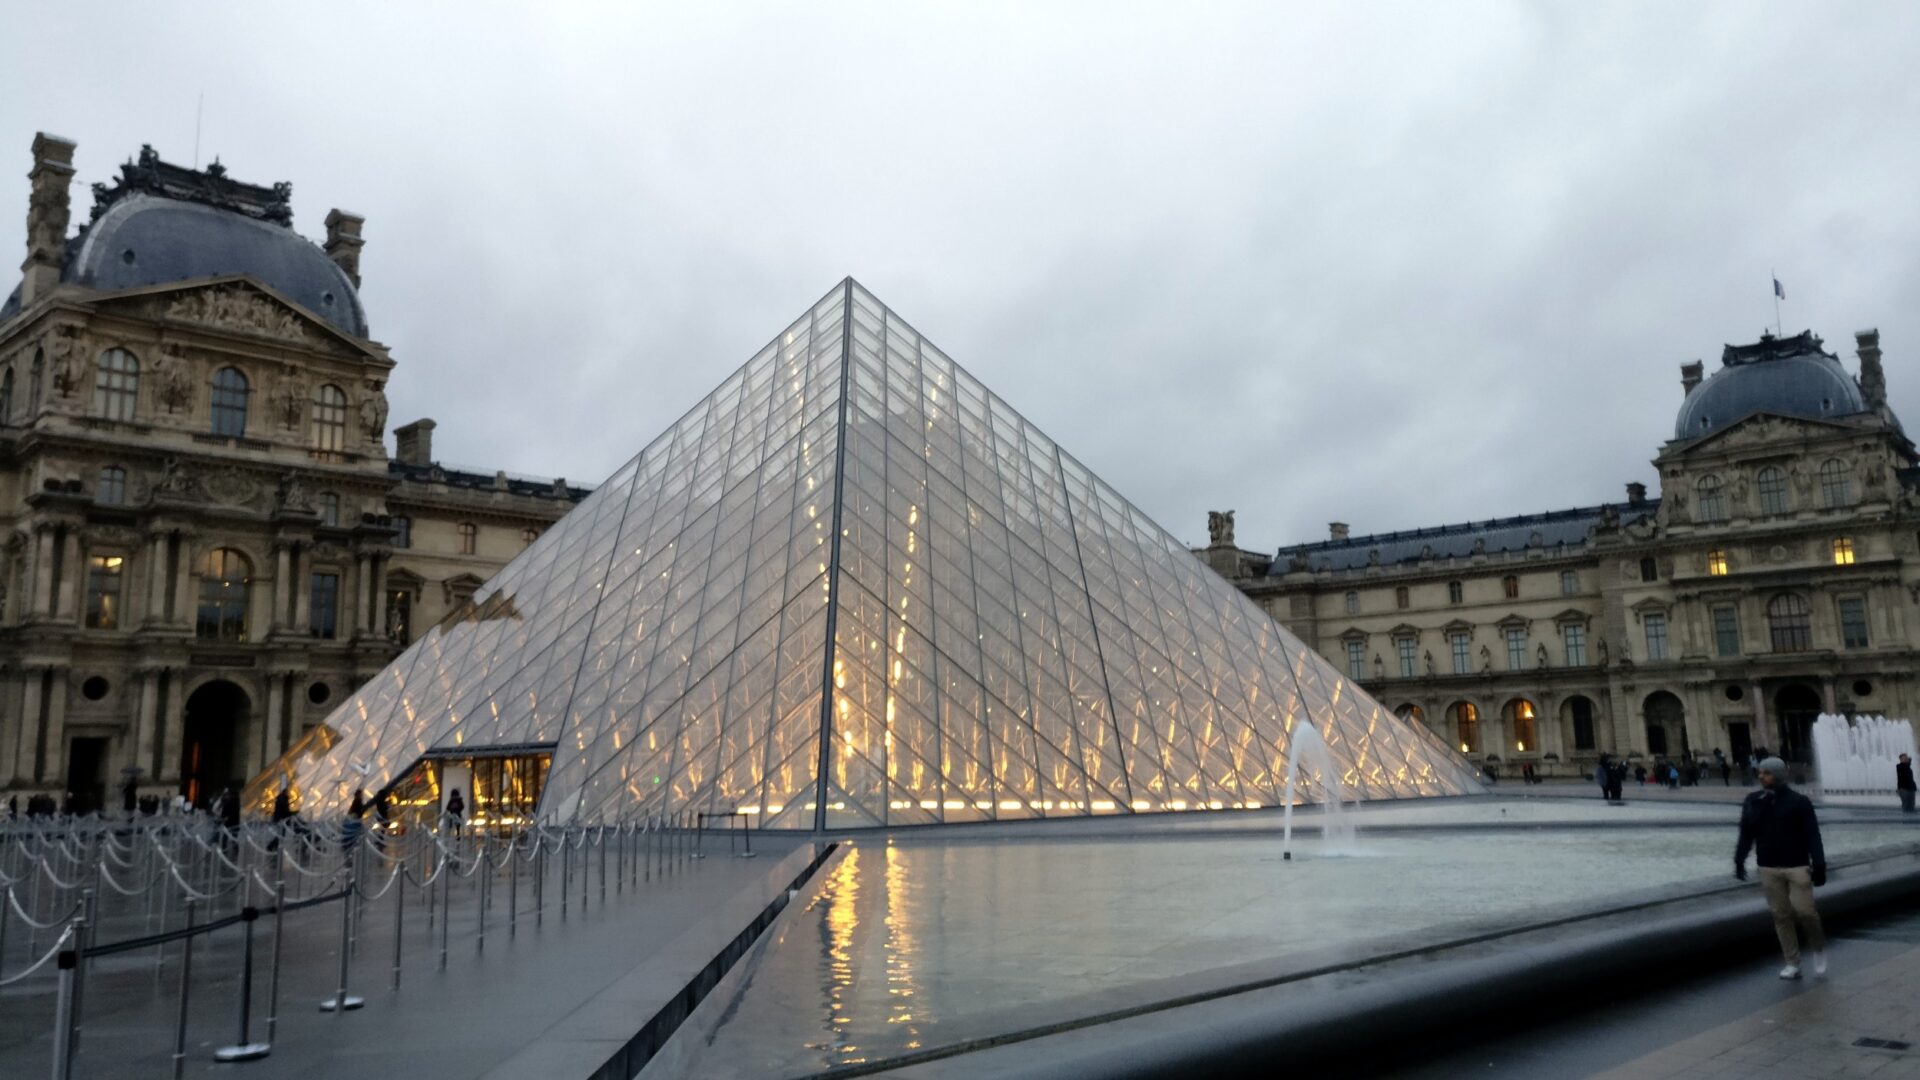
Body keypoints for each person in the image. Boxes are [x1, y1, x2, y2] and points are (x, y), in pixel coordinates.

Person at [1735, 756, 1827, 980]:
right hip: (1768, 866)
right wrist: (1739, 859)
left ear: (1778, 775)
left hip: (1797, 865)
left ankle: (1818, 947)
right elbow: (1746, 833)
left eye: (1766, 773)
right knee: (1780, 915)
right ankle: (1792, 961)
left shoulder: (1799, 801)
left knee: (1806, 911)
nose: (1761, 776)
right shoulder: (1754, 800)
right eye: (1760, 772)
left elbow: (1812, 834)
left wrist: (1819, 863)